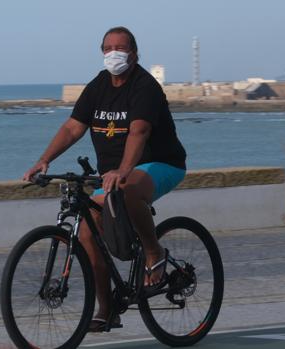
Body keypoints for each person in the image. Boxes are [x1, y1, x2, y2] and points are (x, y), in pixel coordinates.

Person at [23, 26, 187, 332]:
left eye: (121, 48)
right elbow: (73, 128)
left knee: (126, 189)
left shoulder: (144, 87)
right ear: (102, 52)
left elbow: (139, 131)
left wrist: (124, 170)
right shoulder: (98, 86)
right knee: (86, 234)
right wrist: (44, 160)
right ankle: (107, 309)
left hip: (160, 164)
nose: (114, 53)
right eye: (108, 48)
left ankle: (154, 252)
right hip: (112, 174)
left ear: (134, 54)